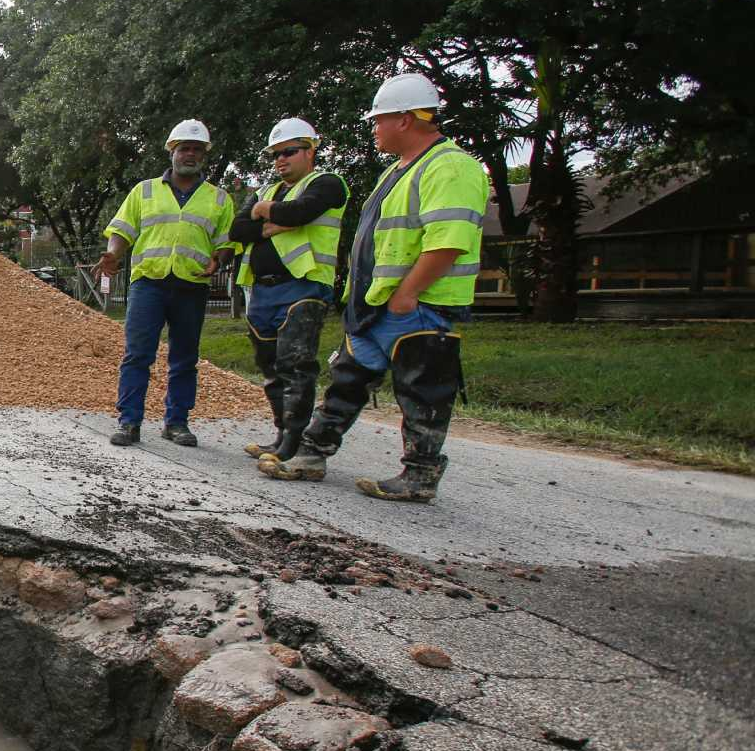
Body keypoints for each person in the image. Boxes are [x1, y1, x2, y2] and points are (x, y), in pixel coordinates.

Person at [260, 72, 489, 502]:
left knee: (423, 391)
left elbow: (449, 240)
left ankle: (420, 474)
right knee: (346, 381)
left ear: (404, 119)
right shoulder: (399, 172)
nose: (374, 129)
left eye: (378, 120)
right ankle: (311, 455)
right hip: (376, 305)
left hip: (421, 306)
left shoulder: (451, 166)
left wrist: (409, 293)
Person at [98, 118, 237, 448]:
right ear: (171, 152)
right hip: (149, 283)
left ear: (204, 156)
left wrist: (220, 259)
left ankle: (176, 423)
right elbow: (122, 231)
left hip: (191, 284)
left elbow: (227, 241)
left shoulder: (219, 199)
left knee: (185, 357)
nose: (190, 154)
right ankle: (129, 421)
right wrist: (113, 255)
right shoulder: (143, 192)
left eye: (196, 150)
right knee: (137, 354)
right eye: (184, 148)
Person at [228, 118, 347, 462]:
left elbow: (301, 212)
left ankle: (293, 439)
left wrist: (264, 214)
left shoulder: (327, 184)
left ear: (310, 151)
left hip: (304, 286)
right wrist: (269, 225)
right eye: (276, 155)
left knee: (296, 365)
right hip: (262, 291)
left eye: (289, 152)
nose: (281, 160)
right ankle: (281, 431)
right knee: (270, 366)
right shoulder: (265, 190)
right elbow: (238, 229)